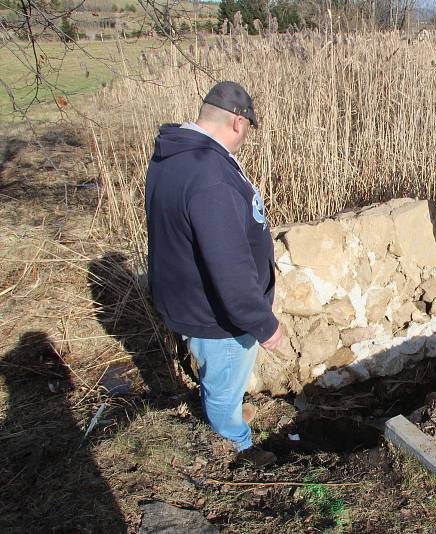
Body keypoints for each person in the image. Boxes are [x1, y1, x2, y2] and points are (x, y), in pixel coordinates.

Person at [145, 81, 281, 466]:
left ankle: (229, 416)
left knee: (219, 379)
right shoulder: (210, 175)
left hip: (188, 297)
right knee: (223, 387)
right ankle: (237, 449)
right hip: (217, 316)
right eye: (247, 131)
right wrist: (263, 323)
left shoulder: (172, 156)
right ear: (238, 123)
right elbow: (229, 264)